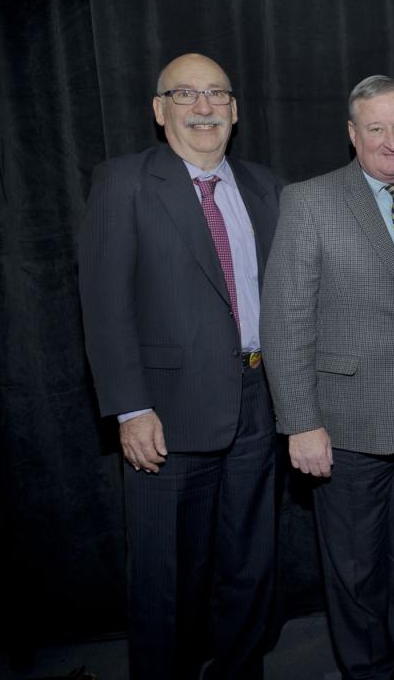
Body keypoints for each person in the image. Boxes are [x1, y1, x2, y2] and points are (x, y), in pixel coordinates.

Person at [260, 75, 394, 680]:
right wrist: (300, 423)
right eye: (375, 128)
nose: (390, 140)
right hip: (346, 423)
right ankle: (367, 672)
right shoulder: (310, 201)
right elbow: (284, 318)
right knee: (354, 569)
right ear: (353, 136)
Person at [78, 53, 283, 679]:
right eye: (186, 94)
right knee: (166, 577)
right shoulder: (124, 182)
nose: (204, 107)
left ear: (236, 111)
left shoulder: (264, 186)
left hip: (259, 399)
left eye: (217, 94)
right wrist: (131, 409)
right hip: (166, 414)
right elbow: (105, 305)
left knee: (250, 565)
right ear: (159, 109)